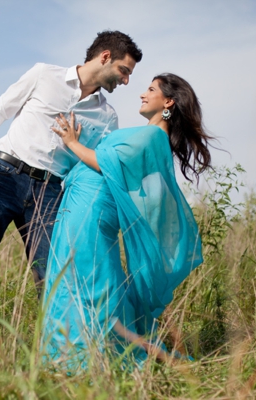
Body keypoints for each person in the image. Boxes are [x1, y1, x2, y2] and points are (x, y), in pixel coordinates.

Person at [0, 31, 143, 338]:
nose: (126, 81)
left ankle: (51, 362)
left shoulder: (107, 116)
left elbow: (100, 163)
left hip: (51, 194)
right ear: (105, 57)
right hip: (3, 178)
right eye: (124, 71)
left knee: (52, 282)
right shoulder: (44, 75)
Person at [41, 73, 212, 368]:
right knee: (74, 276)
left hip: (91, 209)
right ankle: (75, 351)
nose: (142, 94)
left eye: (150, 89)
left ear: (168, 101)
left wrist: (71, 143)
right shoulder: (145, 134)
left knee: (89, 279)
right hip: (82, 203)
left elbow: (106, 165)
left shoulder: (153, 135)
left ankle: (89, 356)